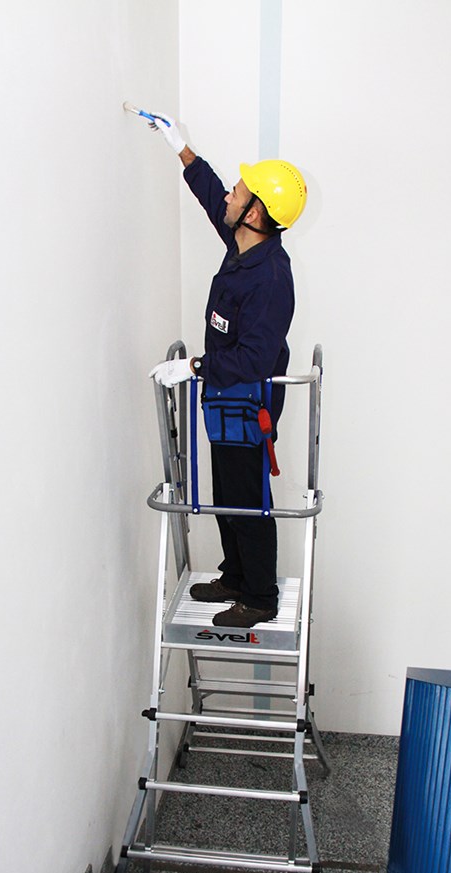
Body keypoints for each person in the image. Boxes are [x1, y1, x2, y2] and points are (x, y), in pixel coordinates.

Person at [147, 113, 307, 628]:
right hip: (223, 396)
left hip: (247, 401)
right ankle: (235, 576)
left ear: (255, 212)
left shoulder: (270, 279)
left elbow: (256, 359)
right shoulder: (244, 243)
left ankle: (259, 597)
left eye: (240, 191)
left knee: (248, 500)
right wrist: (182, 149)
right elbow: (210, 195)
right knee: (226, 495)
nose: (231, 195)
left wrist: (194, 366)